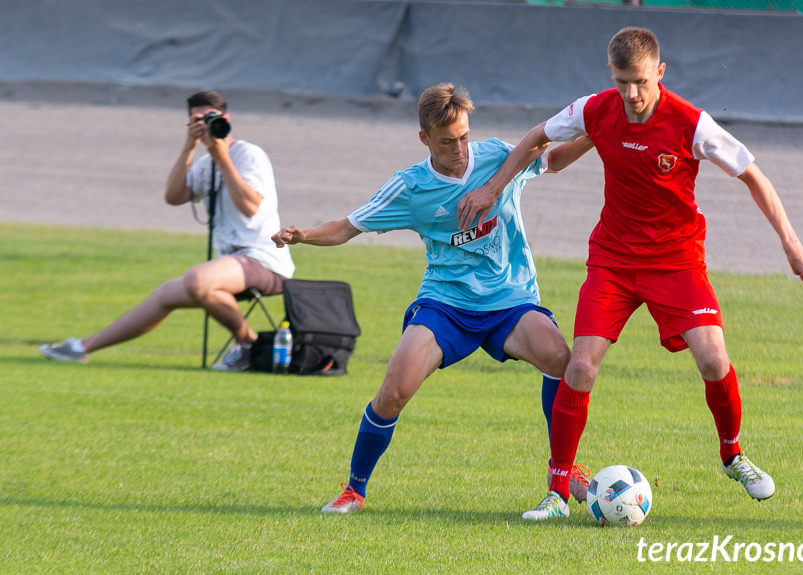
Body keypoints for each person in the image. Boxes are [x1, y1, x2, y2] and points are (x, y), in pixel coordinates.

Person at [456, 27, 803, 521]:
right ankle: (558, 493)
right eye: (623, 81)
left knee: (714, 359)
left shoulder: (692, 123)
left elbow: (753, 175)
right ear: (611, 74)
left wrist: (792, 245)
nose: (632, 94)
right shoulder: (594, 109)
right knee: (580, 367)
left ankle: (733, 456)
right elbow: (538, 138)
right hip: (613, 259)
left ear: (660, 73)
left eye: (642, 82)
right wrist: (493, 189)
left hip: (676, 261)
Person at [271, 83, 595, 514]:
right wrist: (302, 236)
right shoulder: (410, 187)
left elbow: (551, 160)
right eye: (447, 141)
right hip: (445, 304)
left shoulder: (498, 156)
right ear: (424, 138)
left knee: (560, 358)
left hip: (510, 300)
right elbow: (349, 226)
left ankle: (563, 471)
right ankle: (354, 489)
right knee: (393, 393)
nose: (460, 148)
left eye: (463, 136)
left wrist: (594, 135)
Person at [39, 90, 295, 371]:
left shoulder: (248, 153)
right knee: (166, 294)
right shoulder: (205, 162)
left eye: (212, 118)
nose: (207, 124)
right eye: (197, 120)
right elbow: (173, 196)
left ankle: (248, 344)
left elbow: (250, 207)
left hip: (265, 259)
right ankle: (81, 348)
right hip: (230, 263)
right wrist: (189, 147)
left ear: (227, 118)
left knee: (197, 280)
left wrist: (221, 156)